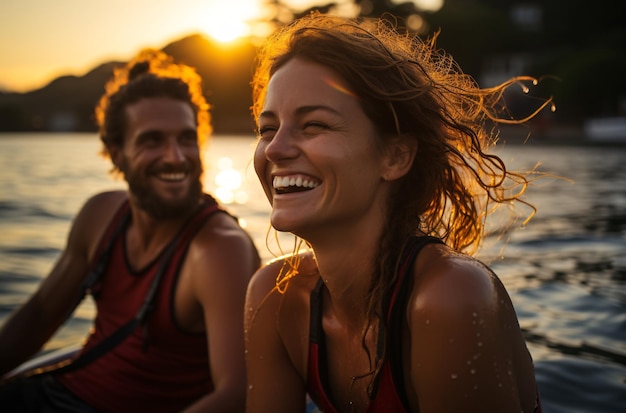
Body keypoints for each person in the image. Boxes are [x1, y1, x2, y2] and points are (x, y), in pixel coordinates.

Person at [244, 13, 552, 413]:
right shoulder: (275, 296)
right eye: (268, 129)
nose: (274, 149)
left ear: (396, 156)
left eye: (314, 125)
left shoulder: (451, 297)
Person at [0, 49, 260, 412]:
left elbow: (237, 395)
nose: (175, 156)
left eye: (186, 139)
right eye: (152, 140)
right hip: (56, 396)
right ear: (116, 152)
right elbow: (40, 317)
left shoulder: (219, 249)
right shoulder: (101, 216)